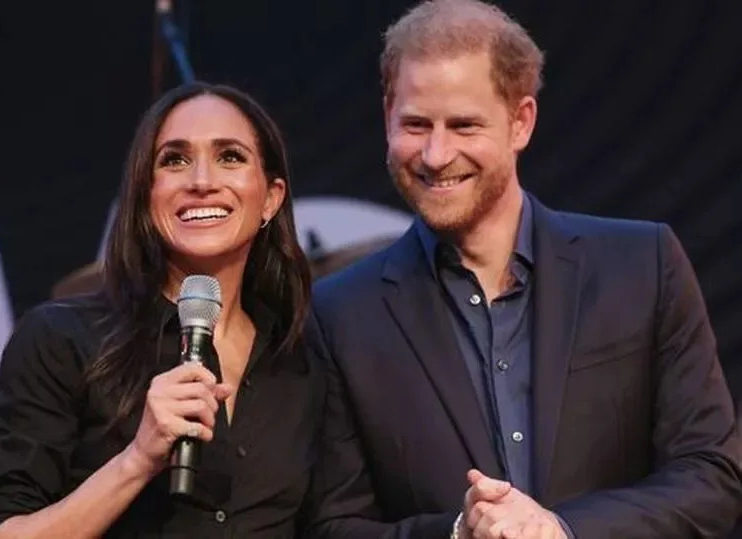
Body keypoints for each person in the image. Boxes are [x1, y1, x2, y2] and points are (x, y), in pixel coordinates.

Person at [305, 1, 742, 537]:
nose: (436, 154)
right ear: (386, 118)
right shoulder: (341, 313)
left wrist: (562, 529)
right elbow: (332, 526)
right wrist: (457, 532)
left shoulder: (642, 267)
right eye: (416, 125)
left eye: (464, 125)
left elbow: (712, 478)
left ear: (521, 122)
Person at [0, 81, 322, 538]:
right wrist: (137, 460)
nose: (201, 181)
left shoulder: (303, 360)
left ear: (271, 198)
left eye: (230, 157)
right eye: (174, 159)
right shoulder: (60, 340)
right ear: (145, 193)